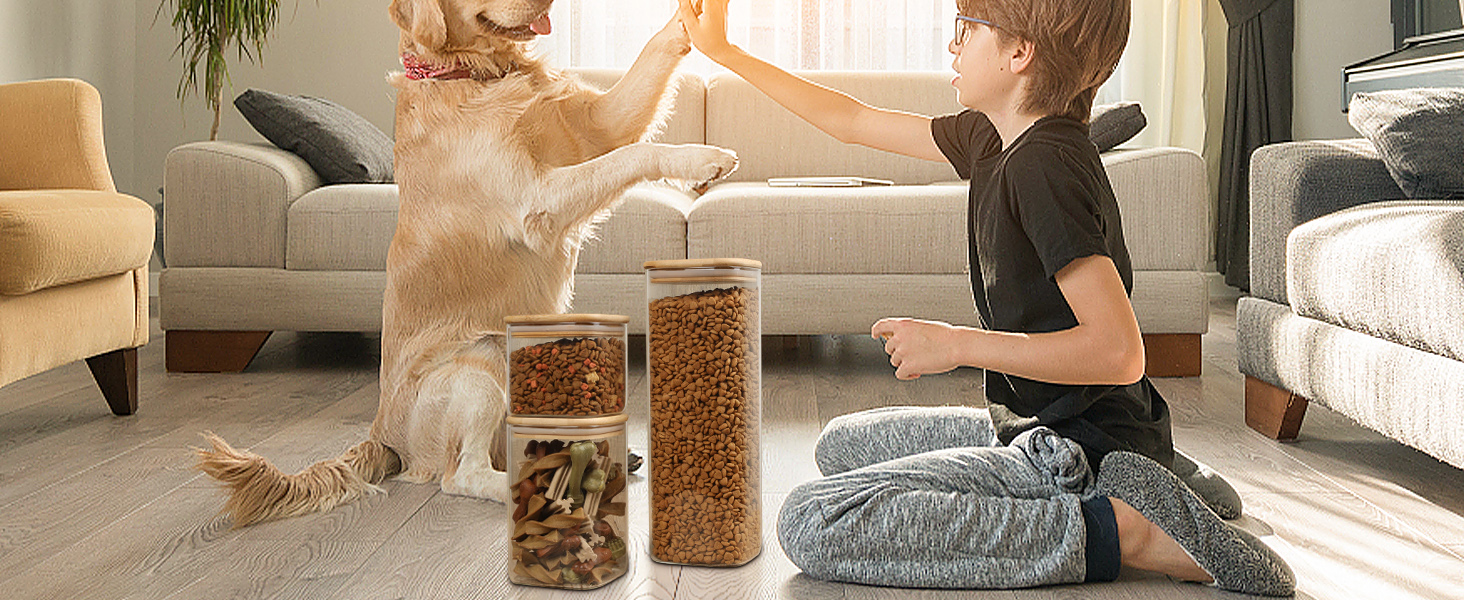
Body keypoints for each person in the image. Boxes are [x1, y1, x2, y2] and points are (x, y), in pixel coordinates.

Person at [675, 0, 1295, 595]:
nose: (952, 42)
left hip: (1072, 443)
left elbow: (1119, 353)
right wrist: (725, 51)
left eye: (967, 26)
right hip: (1040, 425)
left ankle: (1124, 529)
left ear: (1020, 51)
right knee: (841, 443)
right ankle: (1161, 478)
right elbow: (851, 119)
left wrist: (955, 345)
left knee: (812, 520)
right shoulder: (994, 140)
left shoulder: (1045, 167)